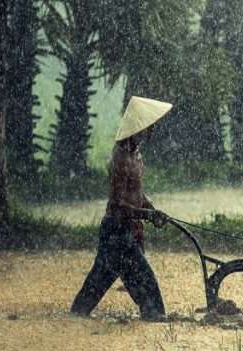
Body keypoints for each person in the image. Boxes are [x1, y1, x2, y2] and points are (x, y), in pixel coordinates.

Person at [70, 96, 173, 321]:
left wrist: (151, 208)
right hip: (117, 233)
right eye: (149, 125)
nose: (152, 129)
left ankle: (75, 317)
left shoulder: (136, 154)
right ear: (139, 126)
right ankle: (155, 321)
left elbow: (135, 193)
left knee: (95, 287)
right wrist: (146, 214)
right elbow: (117, 204)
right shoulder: (121, 158)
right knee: (149, 291)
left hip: (126, 233)